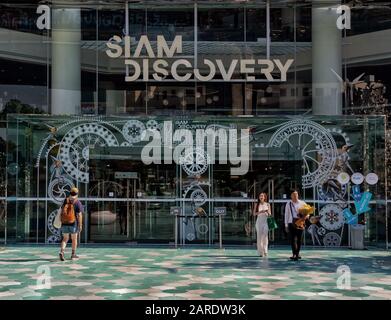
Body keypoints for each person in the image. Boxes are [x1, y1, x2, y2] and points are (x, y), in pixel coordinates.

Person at [59, 187, 83, 261]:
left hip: (64, 222)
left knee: (65, 239)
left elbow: (61, 211)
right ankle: (73, 254)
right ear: (77, 194)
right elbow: (79, 215)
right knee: (74, 239)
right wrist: (80, 225)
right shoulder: (77, 202)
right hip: (73, 223)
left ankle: (62, 252)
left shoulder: (65, 201)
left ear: (70, 193)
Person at [284, 190, 307, 261]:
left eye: (296, 194)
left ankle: (297, 253)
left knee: (299, 239)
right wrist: (286, 225)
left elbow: (308, 213)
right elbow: (286, 214)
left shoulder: (302, 203)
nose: (295, 196)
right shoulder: (288, 204)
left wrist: (305, 217)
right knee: (292, 239)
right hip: (291, 223)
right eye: (293, 195)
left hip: (300, 222)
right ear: (291, 196)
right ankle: (294, 253)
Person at [253, 192, 271, 257]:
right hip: (259, 221)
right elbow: (254, 214)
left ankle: (265, 250)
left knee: (265, 237)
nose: (261, 197)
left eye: (262, 196)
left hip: (265, 221)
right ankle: (260, 252)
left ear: (264, 197)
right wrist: (260, 212)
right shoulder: (256, 204)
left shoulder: (268, 204)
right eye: (260, 196)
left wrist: (266, 212)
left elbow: (270, 214)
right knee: (259, 237)